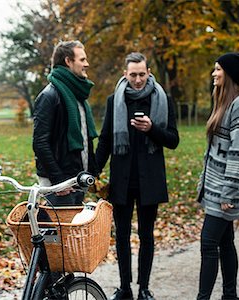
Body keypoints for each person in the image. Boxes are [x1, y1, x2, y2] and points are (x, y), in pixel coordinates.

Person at [95, 52, 179, 300]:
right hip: (122, 180)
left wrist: (153, 129)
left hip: (150, 180)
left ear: (149, 72)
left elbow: (173, 140)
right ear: (125, 74)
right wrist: (94, 172)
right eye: (133, 75)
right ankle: (125, 288)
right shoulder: (114, 101)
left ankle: (144, 287)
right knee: (121, 235)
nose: (138, 79)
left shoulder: (163, 99)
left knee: (146, 234)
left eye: (142, 74)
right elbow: (106, 141)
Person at [196, 52, 239, 300]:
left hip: (225, 189)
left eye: (218, 69)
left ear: (228, 73)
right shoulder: (226, 101)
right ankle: (230, 296)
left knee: (209, 243)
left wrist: (228, 192)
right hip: (217, 186)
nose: (214, 73)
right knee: (225, 241)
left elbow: (238, 153)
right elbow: (215, 151)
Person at [32, 40, 98, 206]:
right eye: (82, 60)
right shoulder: (49, 96)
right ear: (68, 61)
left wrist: (92, 171)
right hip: (59, 183)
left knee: (71, 231)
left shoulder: (78, 95)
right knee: (57, 231)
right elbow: (40, 143)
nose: (87, 64)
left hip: (76, 178)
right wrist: (58, 181)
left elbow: (84, 137)